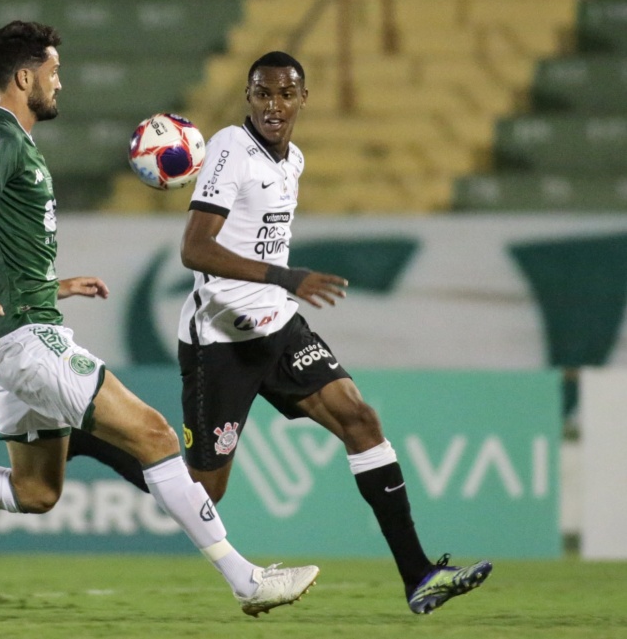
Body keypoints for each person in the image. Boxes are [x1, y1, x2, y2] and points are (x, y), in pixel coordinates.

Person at [0, 22, 320, 618]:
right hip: (24, 340)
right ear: (24, 76)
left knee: (35, 491)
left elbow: (0, 249)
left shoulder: (17, 142)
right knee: (156, 437)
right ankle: (246, 580)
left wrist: (54, 286)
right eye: (53, 71)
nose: (59, 82)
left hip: (19, 327)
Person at [67, 51, 492, 615]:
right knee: (205, 492)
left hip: (279, 328)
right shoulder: (227, 149)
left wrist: (279, 291)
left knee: (360, 420)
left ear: (302, 99)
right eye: (263, 94)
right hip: (220, 341)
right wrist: (286, 276)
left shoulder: (293, 161)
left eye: (286, 94)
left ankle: (418, 576)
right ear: (248, 97)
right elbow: (194, 249)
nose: (274, 105)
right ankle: (89, 441)